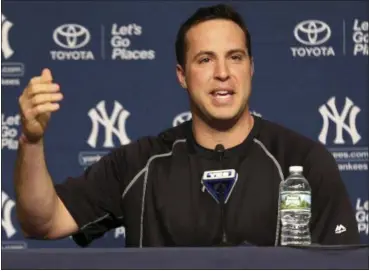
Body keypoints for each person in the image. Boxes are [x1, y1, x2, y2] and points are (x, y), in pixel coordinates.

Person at [14, 3, 359, 248]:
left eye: (234, 57)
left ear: (250, 67)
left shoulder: (304, 161)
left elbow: (346, 264)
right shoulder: (139, 164)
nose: (222, 72)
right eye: (205, 59)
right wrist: (31, 140)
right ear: (182, 75)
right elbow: (42, 222)